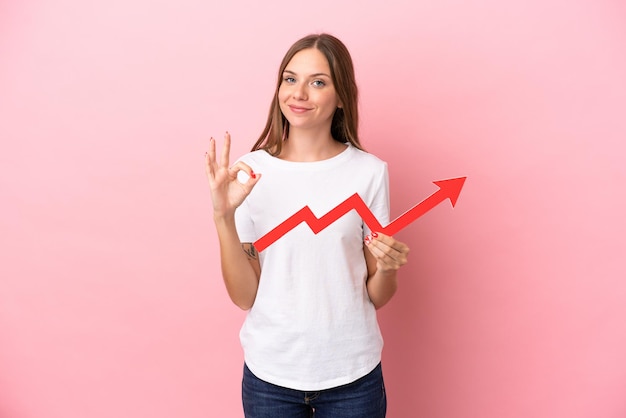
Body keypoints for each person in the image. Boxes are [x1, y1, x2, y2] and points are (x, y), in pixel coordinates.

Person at [205, 33, 410, 418]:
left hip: (353, 374)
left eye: (318, 82)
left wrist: (388, 267)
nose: (299, 93)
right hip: (271, 375)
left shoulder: (369, 172)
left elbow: (378, 295)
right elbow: (244, 297)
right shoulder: (251, 172)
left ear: (341, 96)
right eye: (290, 78)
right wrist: (223, 217)